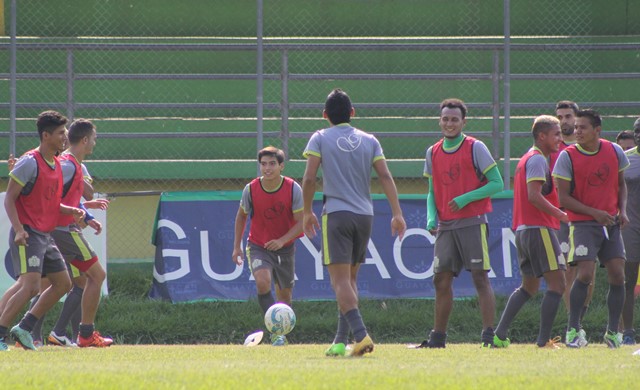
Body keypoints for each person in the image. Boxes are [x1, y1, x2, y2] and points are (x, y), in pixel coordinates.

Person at [302, 88, 406, 357]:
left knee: (339, 282)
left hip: (336, 214)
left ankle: (360, 336)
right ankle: (340, 340)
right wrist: (397, 213)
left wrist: (305, 211)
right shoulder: (370, 140)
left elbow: (310, 178)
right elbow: (384, 175)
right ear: (352, 113)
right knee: (350, 280)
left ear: (325, 115)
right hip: (365, 215)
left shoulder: (319, 138)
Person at [413, 98, 503, 349]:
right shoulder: (433, 152)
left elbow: (497, 183)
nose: (449, 123)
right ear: (439, 121)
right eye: (445, 119)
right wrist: (432, 217)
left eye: (454, 119)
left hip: (472, 222)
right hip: (446, 226)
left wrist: (465, 198)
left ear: (464, 122)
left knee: (479, 278)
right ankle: (438, 338)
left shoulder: (476, 147)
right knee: (440, 280)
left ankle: (488, 335)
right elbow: (432, 190)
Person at [0, 110, 85, 351]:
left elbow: (50, 203)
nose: (65, 137)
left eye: (65, 132)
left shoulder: (57, 164)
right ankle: (1, 333)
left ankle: (24, 327)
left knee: (63, 283)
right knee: (30, 286)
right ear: (46, 135)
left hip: (45, 235)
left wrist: (72, 210)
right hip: (28, 233)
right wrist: (18, 230)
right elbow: (9, 199)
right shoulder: (30, 161)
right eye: (60, 133)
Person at [552, 109, 630, 348]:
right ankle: (573, 330)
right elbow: (563, 199)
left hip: (610, 223)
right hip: (583, 223)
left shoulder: (614, 151)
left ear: (597, 130)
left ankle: (612, 332)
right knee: (585, 274)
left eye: (582, 128)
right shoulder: (567, 156)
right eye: (576, 127)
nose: (577, 132)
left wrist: (623, 210)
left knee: (618, 274)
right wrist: (594, 212)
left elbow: (621, 185)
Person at [492, 116, 568, 349]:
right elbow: (534, 196)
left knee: (529, 288)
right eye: (556, 134)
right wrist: (560, 215)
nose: (560, 139)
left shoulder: (528, 158)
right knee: (558, 285)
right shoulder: (537, 160)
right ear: (542, 136)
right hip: (539, 229)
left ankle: (499, 335)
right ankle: (543, 340)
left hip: (524, 231)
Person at [48, 118, 112, 348]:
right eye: (94, 138)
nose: (95, 142)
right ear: (85, 140)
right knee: (95, 276)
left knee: (74, 282)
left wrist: (87, 215)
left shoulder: (73, 164)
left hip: (60, 228)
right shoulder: (67, 165)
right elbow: (51, 197)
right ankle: (84, 334)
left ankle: (49, 332)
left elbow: (76, 197)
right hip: (63, 229)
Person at [232, 146, 304, 346]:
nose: (267, 168)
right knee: (263, 282)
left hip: (285, 248)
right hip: (258, 245)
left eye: (272, 164)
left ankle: (283, 332)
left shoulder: (292, 188)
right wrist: (236, 246)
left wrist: (281, 240)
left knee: (285, 295)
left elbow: (301, 223)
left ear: (281, 166)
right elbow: (241, 216)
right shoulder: (251, 189)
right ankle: (275, 334)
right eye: (263, 164)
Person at [552, 100, 596, 344]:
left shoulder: (590, 147)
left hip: (589, 217)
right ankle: (574, 326)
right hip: (563, 217)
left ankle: (580, 318)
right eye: (559, 116)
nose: (564, 121)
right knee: (568, 270)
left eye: (568, 116)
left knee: (587, 271)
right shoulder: (551, 147)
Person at [620, 120, 640, 345]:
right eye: (637, 132)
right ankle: (627, 332)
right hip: (631, 226)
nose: (639, 135)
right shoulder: (626, 159)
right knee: (628, 280)